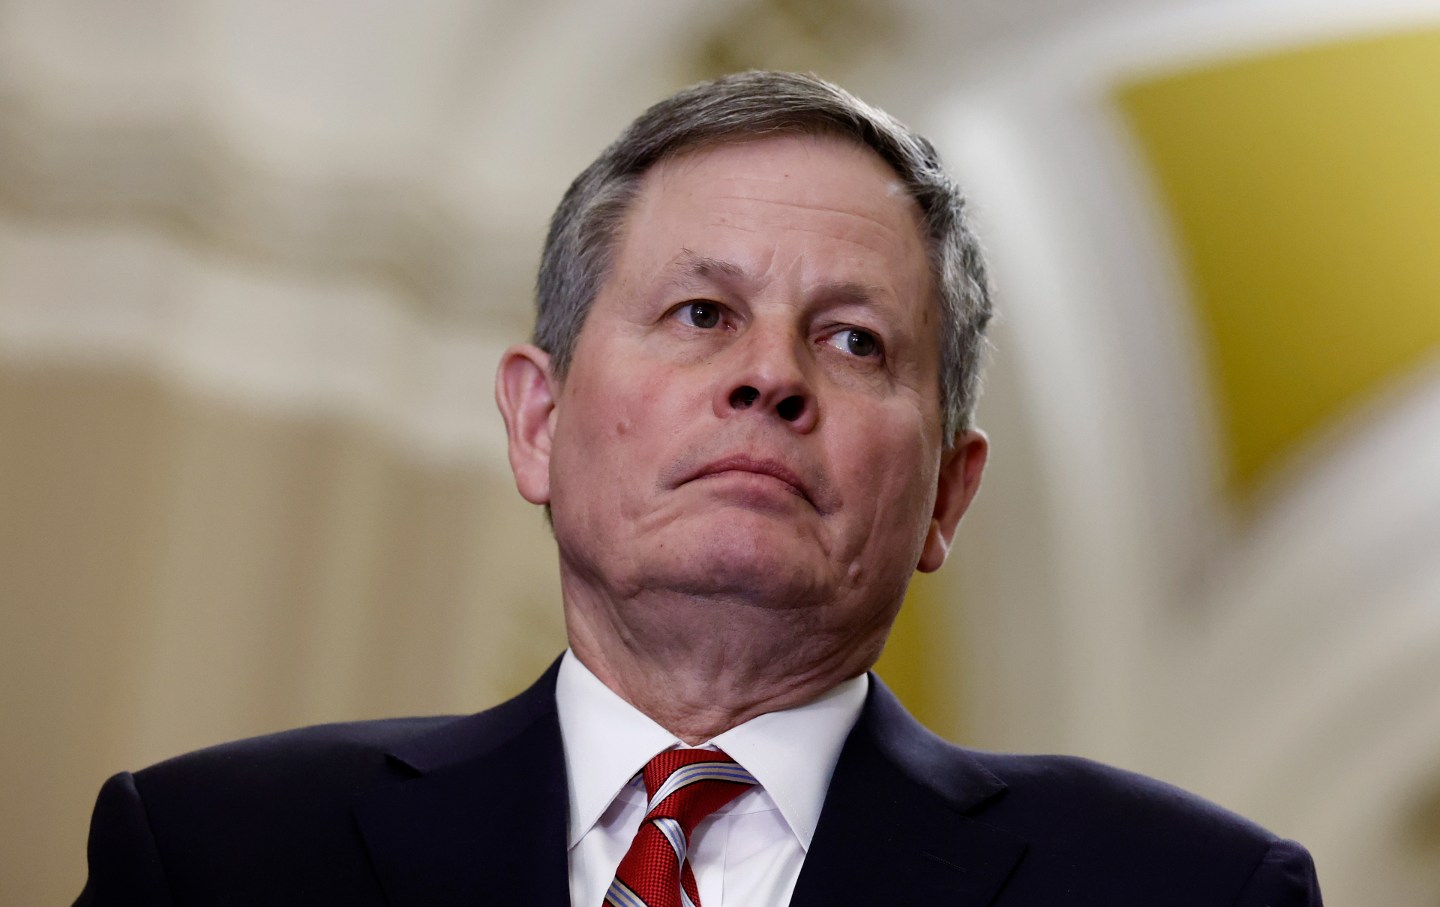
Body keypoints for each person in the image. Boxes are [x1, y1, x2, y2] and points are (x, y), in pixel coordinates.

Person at [75, 71, 1323, 905]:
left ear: (948, 493)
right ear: (539, 421)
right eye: (702, 312)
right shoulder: (212, 856)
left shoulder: (1190, 892)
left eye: (853, 340)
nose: (770, 376)